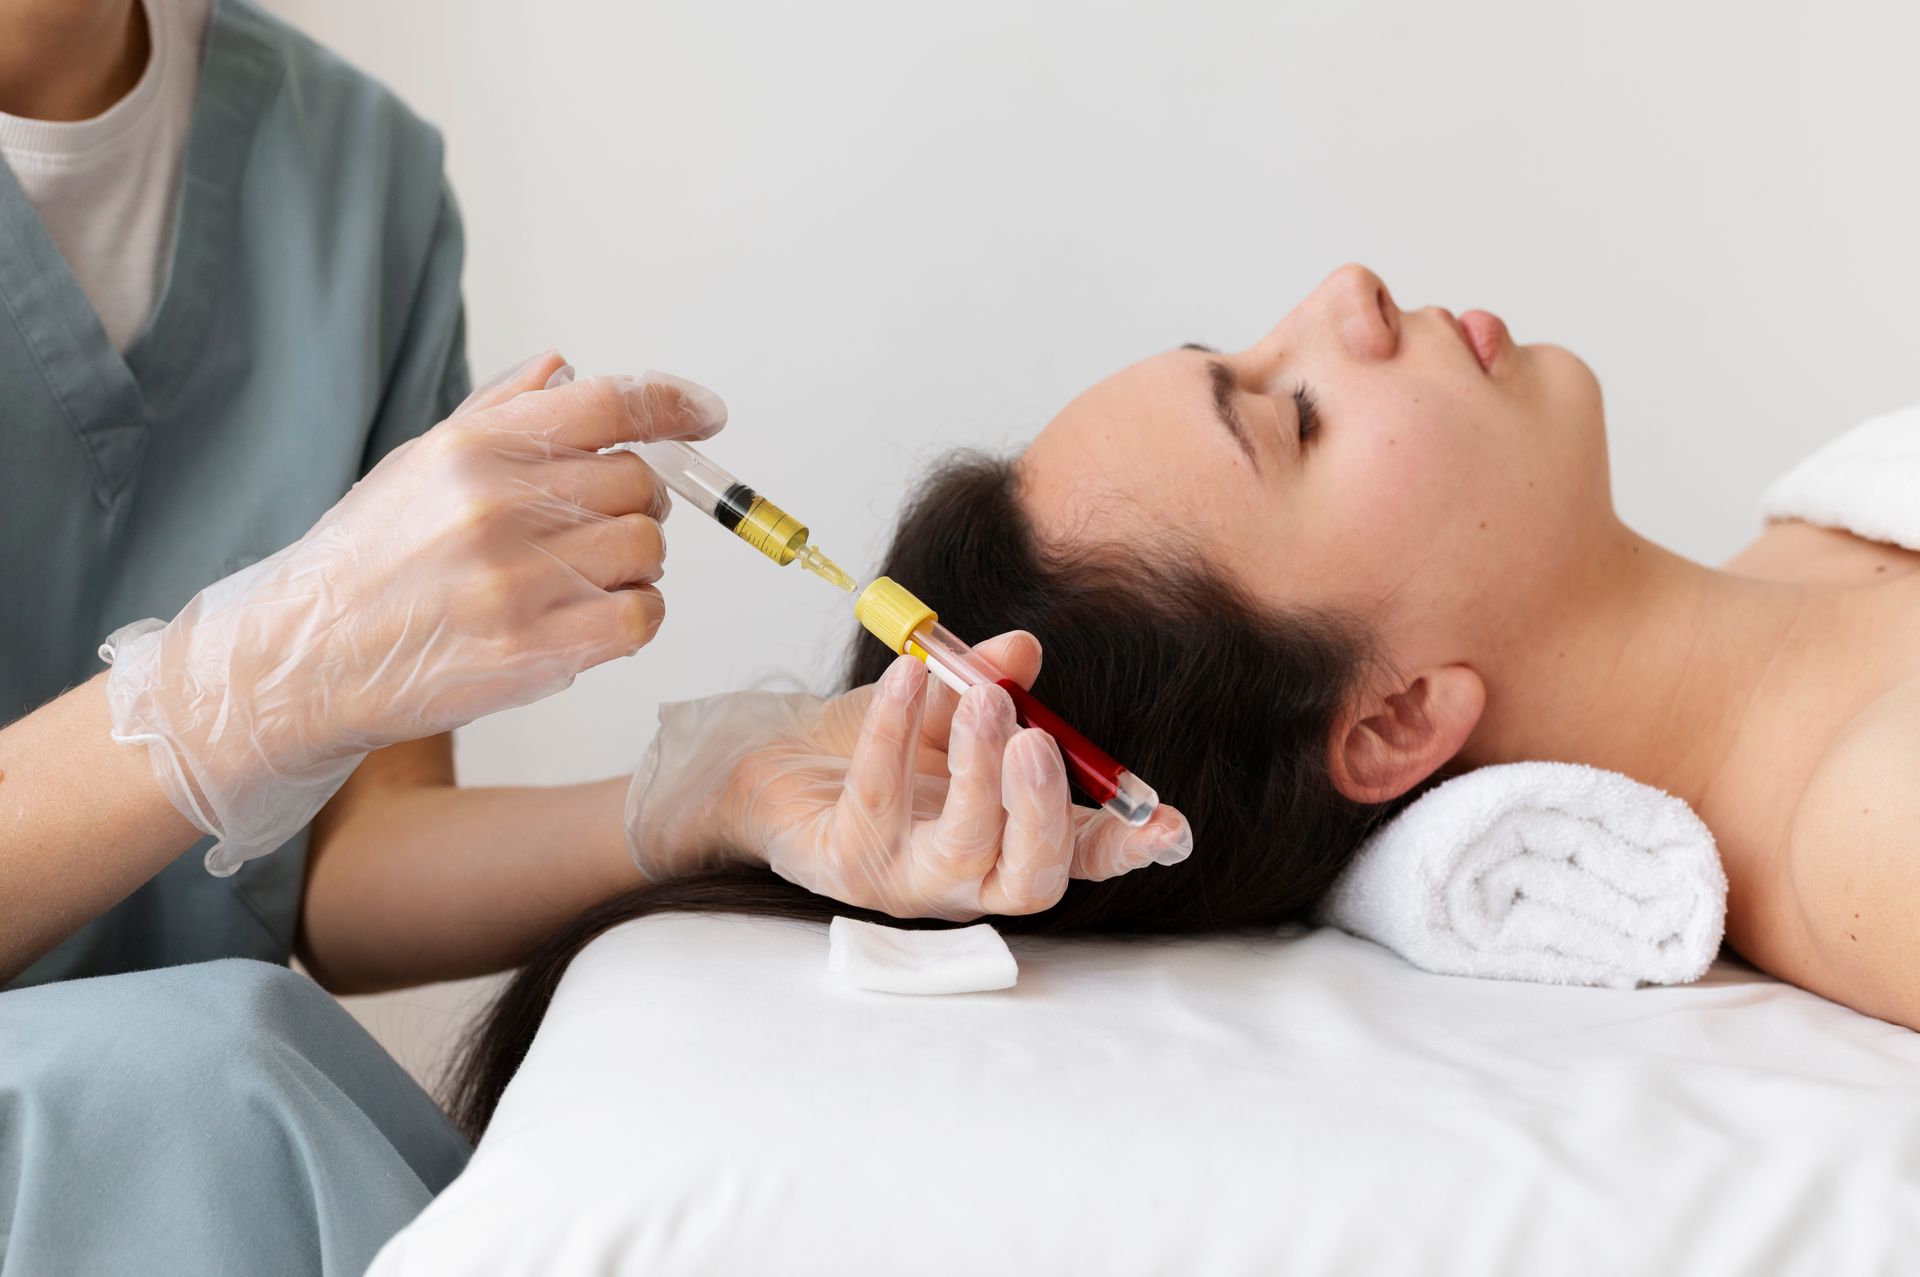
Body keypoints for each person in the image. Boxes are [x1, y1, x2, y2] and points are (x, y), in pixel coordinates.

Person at [0, 1, 1183, 1271]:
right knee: (213, 1080)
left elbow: (344, 871)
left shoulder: (353, 167)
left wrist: (696, 802)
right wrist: (234, 690)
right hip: (145, 1142)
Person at [450, 262, 1920, 1138]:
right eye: (1296, 416)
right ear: (1395, 721)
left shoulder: (1818, 542)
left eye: (1252, 353)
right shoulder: (1873, 821)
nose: (1344, 295)